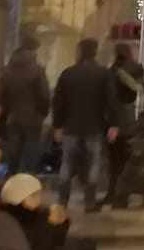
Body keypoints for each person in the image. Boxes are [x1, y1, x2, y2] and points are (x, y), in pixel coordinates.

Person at [51, 38, 119, 212]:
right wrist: (113, 125)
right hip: (94, 126)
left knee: (66, 163)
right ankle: (90, 202)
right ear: (95, 52)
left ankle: (62, 200)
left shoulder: (68, 73)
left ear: (80, 51)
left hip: (70, 127)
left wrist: (57, 125)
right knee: (93, 164)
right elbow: (111, 101)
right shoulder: (103, 73)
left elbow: (58, 102)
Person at [0, 35, 51, 181]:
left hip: (12, 119)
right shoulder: (38, 70)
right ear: (33, 51)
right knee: (30, 157)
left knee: (9, 155)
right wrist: (42, 114)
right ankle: (25, 189)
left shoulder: (7, 70)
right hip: (33, 120)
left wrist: (5, 114)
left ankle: (3, 184)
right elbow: (44, 96)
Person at [105, 43, 144, 206]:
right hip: (130, 120)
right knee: (127, 161)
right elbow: (140, 90)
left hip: (115, 121)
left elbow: (110, 98)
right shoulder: (136, 68)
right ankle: (122, 195)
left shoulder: (113, 70)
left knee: (115, 161)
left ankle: (114, 194)